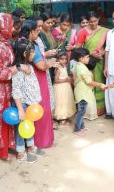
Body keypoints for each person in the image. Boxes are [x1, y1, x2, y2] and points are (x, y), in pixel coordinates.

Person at [0, 13, 31, 161]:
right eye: (7, 25)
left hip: (5, 88)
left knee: (5, 117)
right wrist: (19, 67)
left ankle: (7, 145)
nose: (11, 28)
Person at [20, 19, 56, 150]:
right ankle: (42, 140)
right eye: (36, 30)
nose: (38, 32)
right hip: (37, 80)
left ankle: (30, 142)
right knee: (41, 108)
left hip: (25, 80)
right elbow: (41, 66)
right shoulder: (31, 45)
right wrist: (50, 63)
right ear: (31, 32)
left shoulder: (20, 42)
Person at [11, 38, 42, 163]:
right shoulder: (17, 71)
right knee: (21, 129)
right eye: (32, 52)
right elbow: (16, 91)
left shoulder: (28, 66)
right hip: (22, 104)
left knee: (30, 126)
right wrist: (20, 110)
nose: (34, 54)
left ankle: (30, 147)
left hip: (30, 103)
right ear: (25, 53)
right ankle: (20, 151)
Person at [76, 11, 109, 116]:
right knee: (89, 83)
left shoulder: (105, 31)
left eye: (95, 21)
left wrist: (101, 54)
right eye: (90, 22)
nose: (93, 24)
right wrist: (90, 54)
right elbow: (78, 48)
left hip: (100, 62)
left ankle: (100, 108)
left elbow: (107, 47)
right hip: (87, 62)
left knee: (99, 82)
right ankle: (89, 110)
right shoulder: (83, 31)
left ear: (98, 19)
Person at [73, 48, 107, 136]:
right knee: (81, 112)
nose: (89, 59)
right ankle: (77, 129)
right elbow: (89, 82)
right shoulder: (82, 69)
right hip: (82, 94)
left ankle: (82, 126)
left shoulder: (79, 65)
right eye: (87, 57)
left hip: (83, 92)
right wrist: (100, 85)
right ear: (81, 59)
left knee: (82, 111)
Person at [53, 51, 76, 126]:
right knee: (61, 102)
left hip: (65, 87)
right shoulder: (58, 68)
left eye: (65, 59)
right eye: (62, 59)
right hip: (60, 88)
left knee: (66, 101)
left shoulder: (64, 66)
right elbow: (56, 80)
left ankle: (64, 117)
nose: (64, 60)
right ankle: (61, 119)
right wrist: (65, 80)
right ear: (58, 59)